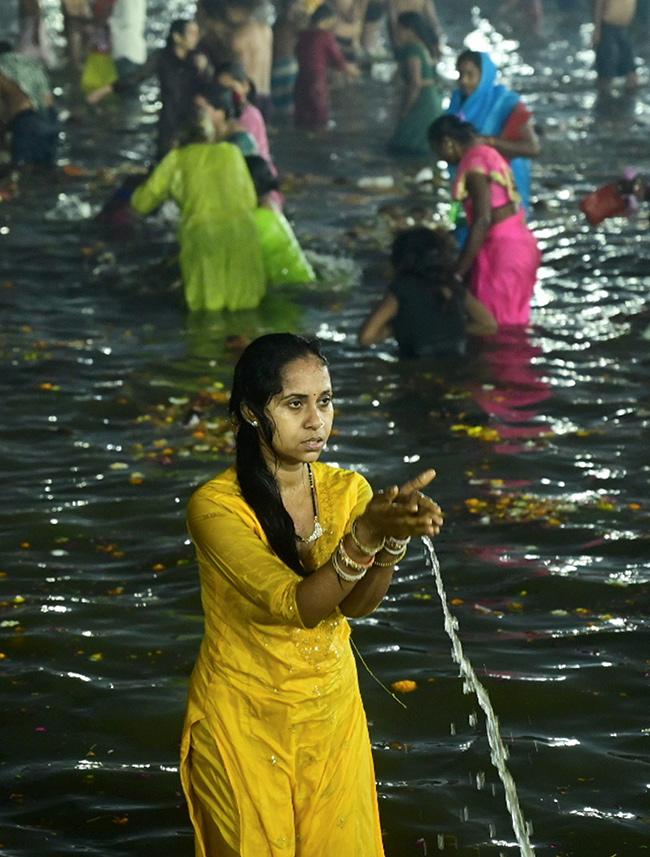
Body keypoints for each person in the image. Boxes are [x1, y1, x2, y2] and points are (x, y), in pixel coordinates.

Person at [181, 332, 443, 856]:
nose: (316, 420)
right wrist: (364, 537)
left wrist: (390, 539)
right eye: (295, 404)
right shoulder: (215, 508)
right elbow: (297, 605)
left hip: (330, 711)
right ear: (254, 413)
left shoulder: (349, 490)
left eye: (324, 401)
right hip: (243, 719)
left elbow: (355, 607)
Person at [130, 83, 266, 312]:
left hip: (204, 244)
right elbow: (250, 199)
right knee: (247, 318)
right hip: (244, 240)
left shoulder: (177, 159)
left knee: (207, 319)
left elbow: (140, 203)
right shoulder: (231, 153)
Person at [428, 114, 541, 327]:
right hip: (519, 244)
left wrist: (458, 273)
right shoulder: (488, 153)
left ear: (448, 143)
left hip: (503, 253)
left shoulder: (474, 163)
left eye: (438, 151)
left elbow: (482, 220)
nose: (442, 158)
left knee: (496, 328)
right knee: (514, 324)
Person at [358, 226, 497, 357]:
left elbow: (366, 337)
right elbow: (488, 326)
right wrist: (450, 327)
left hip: (416, 364)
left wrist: (398, 328)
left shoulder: (401, 288)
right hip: (458, 361)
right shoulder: (452, 285)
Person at [87, 19, 213, 161]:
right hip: (169, 120)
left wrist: (205, 70)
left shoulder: (199, 59)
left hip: (193, 121)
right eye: (191, 33)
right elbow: (136, 78)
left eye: (197, 33)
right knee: (164, 161)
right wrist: (102, 91)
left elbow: (209, 88)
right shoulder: (162, 57)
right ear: (177, 37)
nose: (196, 37)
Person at [447, 50, 540, 214]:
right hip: (470, 182)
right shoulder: (457, 102)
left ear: (485, 75)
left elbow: (532, 148)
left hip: (503, 184)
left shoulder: (507, 103)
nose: (463, 81)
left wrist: (488, 142)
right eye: (460, 74)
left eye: (470, 74)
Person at [246, 154, 316, 285]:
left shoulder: (256, 221)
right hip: (303, 282)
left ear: (252, 185)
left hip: (288, 293)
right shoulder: (272, 209)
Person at [294, 3, 360, 131]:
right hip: (316, 83)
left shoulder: (302, 35)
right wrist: (353, 72)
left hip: (300, 81)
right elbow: (339, 61)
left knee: (302, 119)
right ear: (327, 20)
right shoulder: (325, 36)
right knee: (319, 121)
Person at [387, 12, 443, 156]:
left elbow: (415, 83)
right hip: (434, 100)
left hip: (422, 102)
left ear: (410, 30)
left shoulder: (413, 50)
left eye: (400, 29)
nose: (397, 33)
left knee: (405, 145)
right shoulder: (427, 46)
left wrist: (405, 110)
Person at [0, 42, 59, 168]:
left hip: (27, 121)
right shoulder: (30, 64)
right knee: (45, 171)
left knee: (22, 173)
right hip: (51, 118)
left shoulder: (2, 68)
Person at [271, 0, 306, 116]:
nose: (302, 7)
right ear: (293, 6)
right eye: (300, 4)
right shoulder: (293, 24)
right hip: (289, 65)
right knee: (289, 104)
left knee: (278, 103)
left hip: (276, 66)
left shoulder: (277, 23)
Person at [593, 0, 638, 88]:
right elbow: (599, 4)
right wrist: (597, 29)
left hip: (624, 26)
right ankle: (604, 93)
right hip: (607, 25)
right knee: (606, 69)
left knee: (630, 70)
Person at [108, 0, 146, 81]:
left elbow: (129, 19)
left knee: (126, 86)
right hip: (134, 49)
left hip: (126, 49)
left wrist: (110, 22)